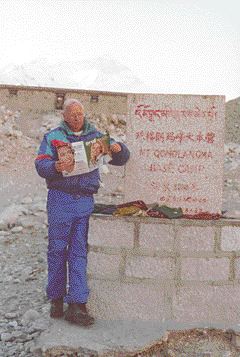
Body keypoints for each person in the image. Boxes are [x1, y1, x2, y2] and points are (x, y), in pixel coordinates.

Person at [35, 98, 130, 326]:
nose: (77, 118)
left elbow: (123, 157)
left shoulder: (95, 136)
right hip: (60, 198)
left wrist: (118, 148)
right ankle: (56, 298)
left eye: (80, 113)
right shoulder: (53, 137)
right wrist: (55, 167)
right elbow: (40, 164)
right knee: (57, 249)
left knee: (79, 250)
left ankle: (77, 303)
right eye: (72, 114)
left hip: (85, 200)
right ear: (65, 116)